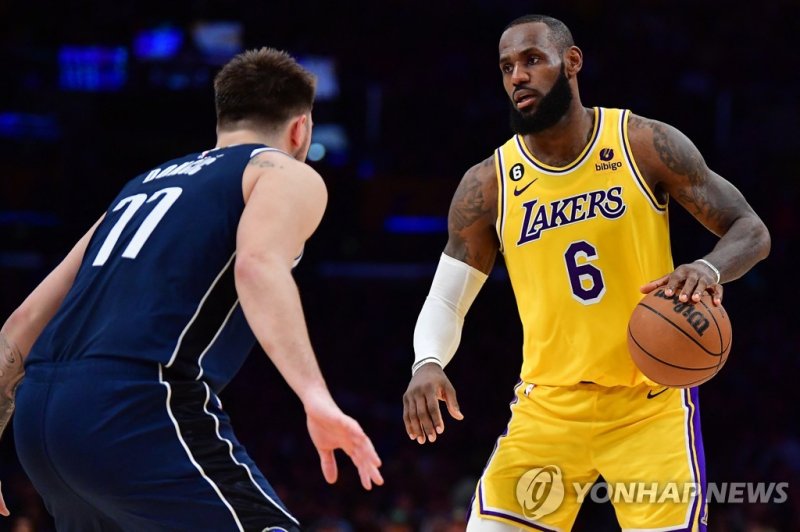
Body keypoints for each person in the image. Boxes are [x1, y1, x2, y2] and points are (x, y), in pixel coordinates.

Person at [402, 14, 770, 532]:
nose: (518, 77)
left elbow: (750, 230)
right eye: (507, 66)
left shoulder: (641, 143)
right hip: (547, 408)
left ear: (571, 62)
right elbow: (447, 300)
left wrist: (707, 267)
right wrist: (428, 361)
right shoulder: (487, 185)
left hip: (650, 406)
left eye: (533, 60)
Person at [0, 47, 383, 531]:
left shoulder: (137, 188)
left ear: (223, 118)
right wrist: (316, 398)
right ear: (300, 129)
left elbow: (19, 327)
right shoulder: (282, 172)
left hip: (39, 422)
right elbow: (258, 266)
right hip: (135, 406)